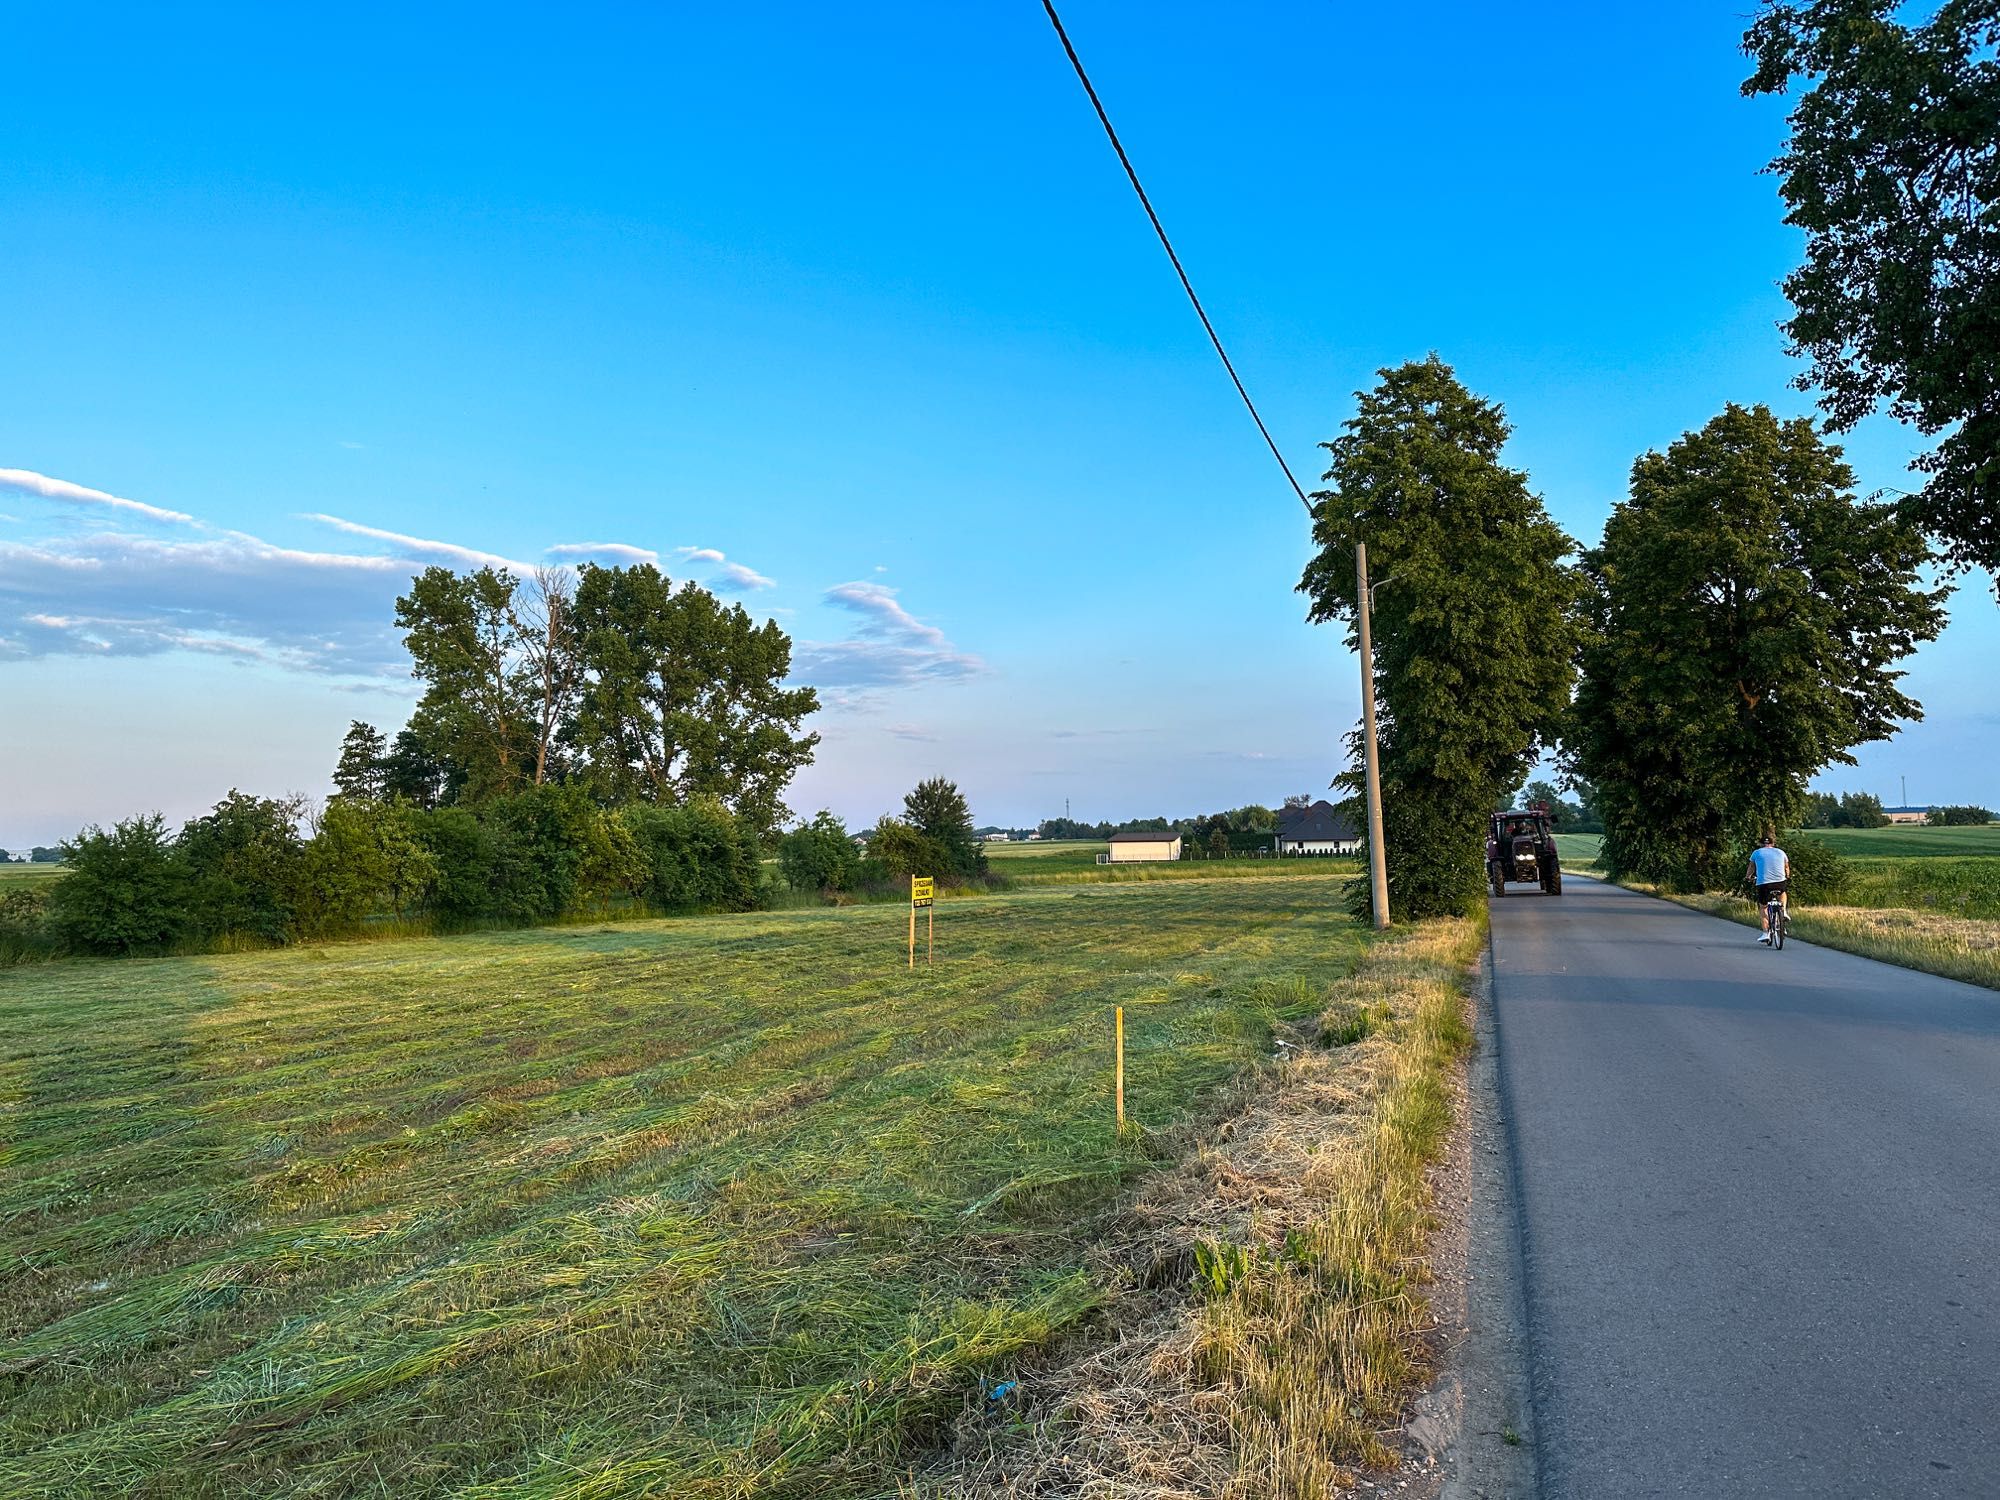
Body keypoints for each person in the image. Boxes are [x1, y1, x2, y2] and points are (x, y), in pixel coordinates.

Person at [1747, 830, 1790, 944]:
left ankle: (1765, 933)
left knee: (1763, 907)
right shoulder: (1781, 852)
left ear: (1761, 844)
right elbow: (1786, 868)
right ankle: (1784, 911)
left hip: (1764, 884)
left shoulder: (1756, 853)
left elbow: (1751, 867)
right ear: (1773, 844)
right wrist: (1787, 876)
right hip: (1779, 882)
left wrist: (1748, 877)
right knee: (1783, 892)